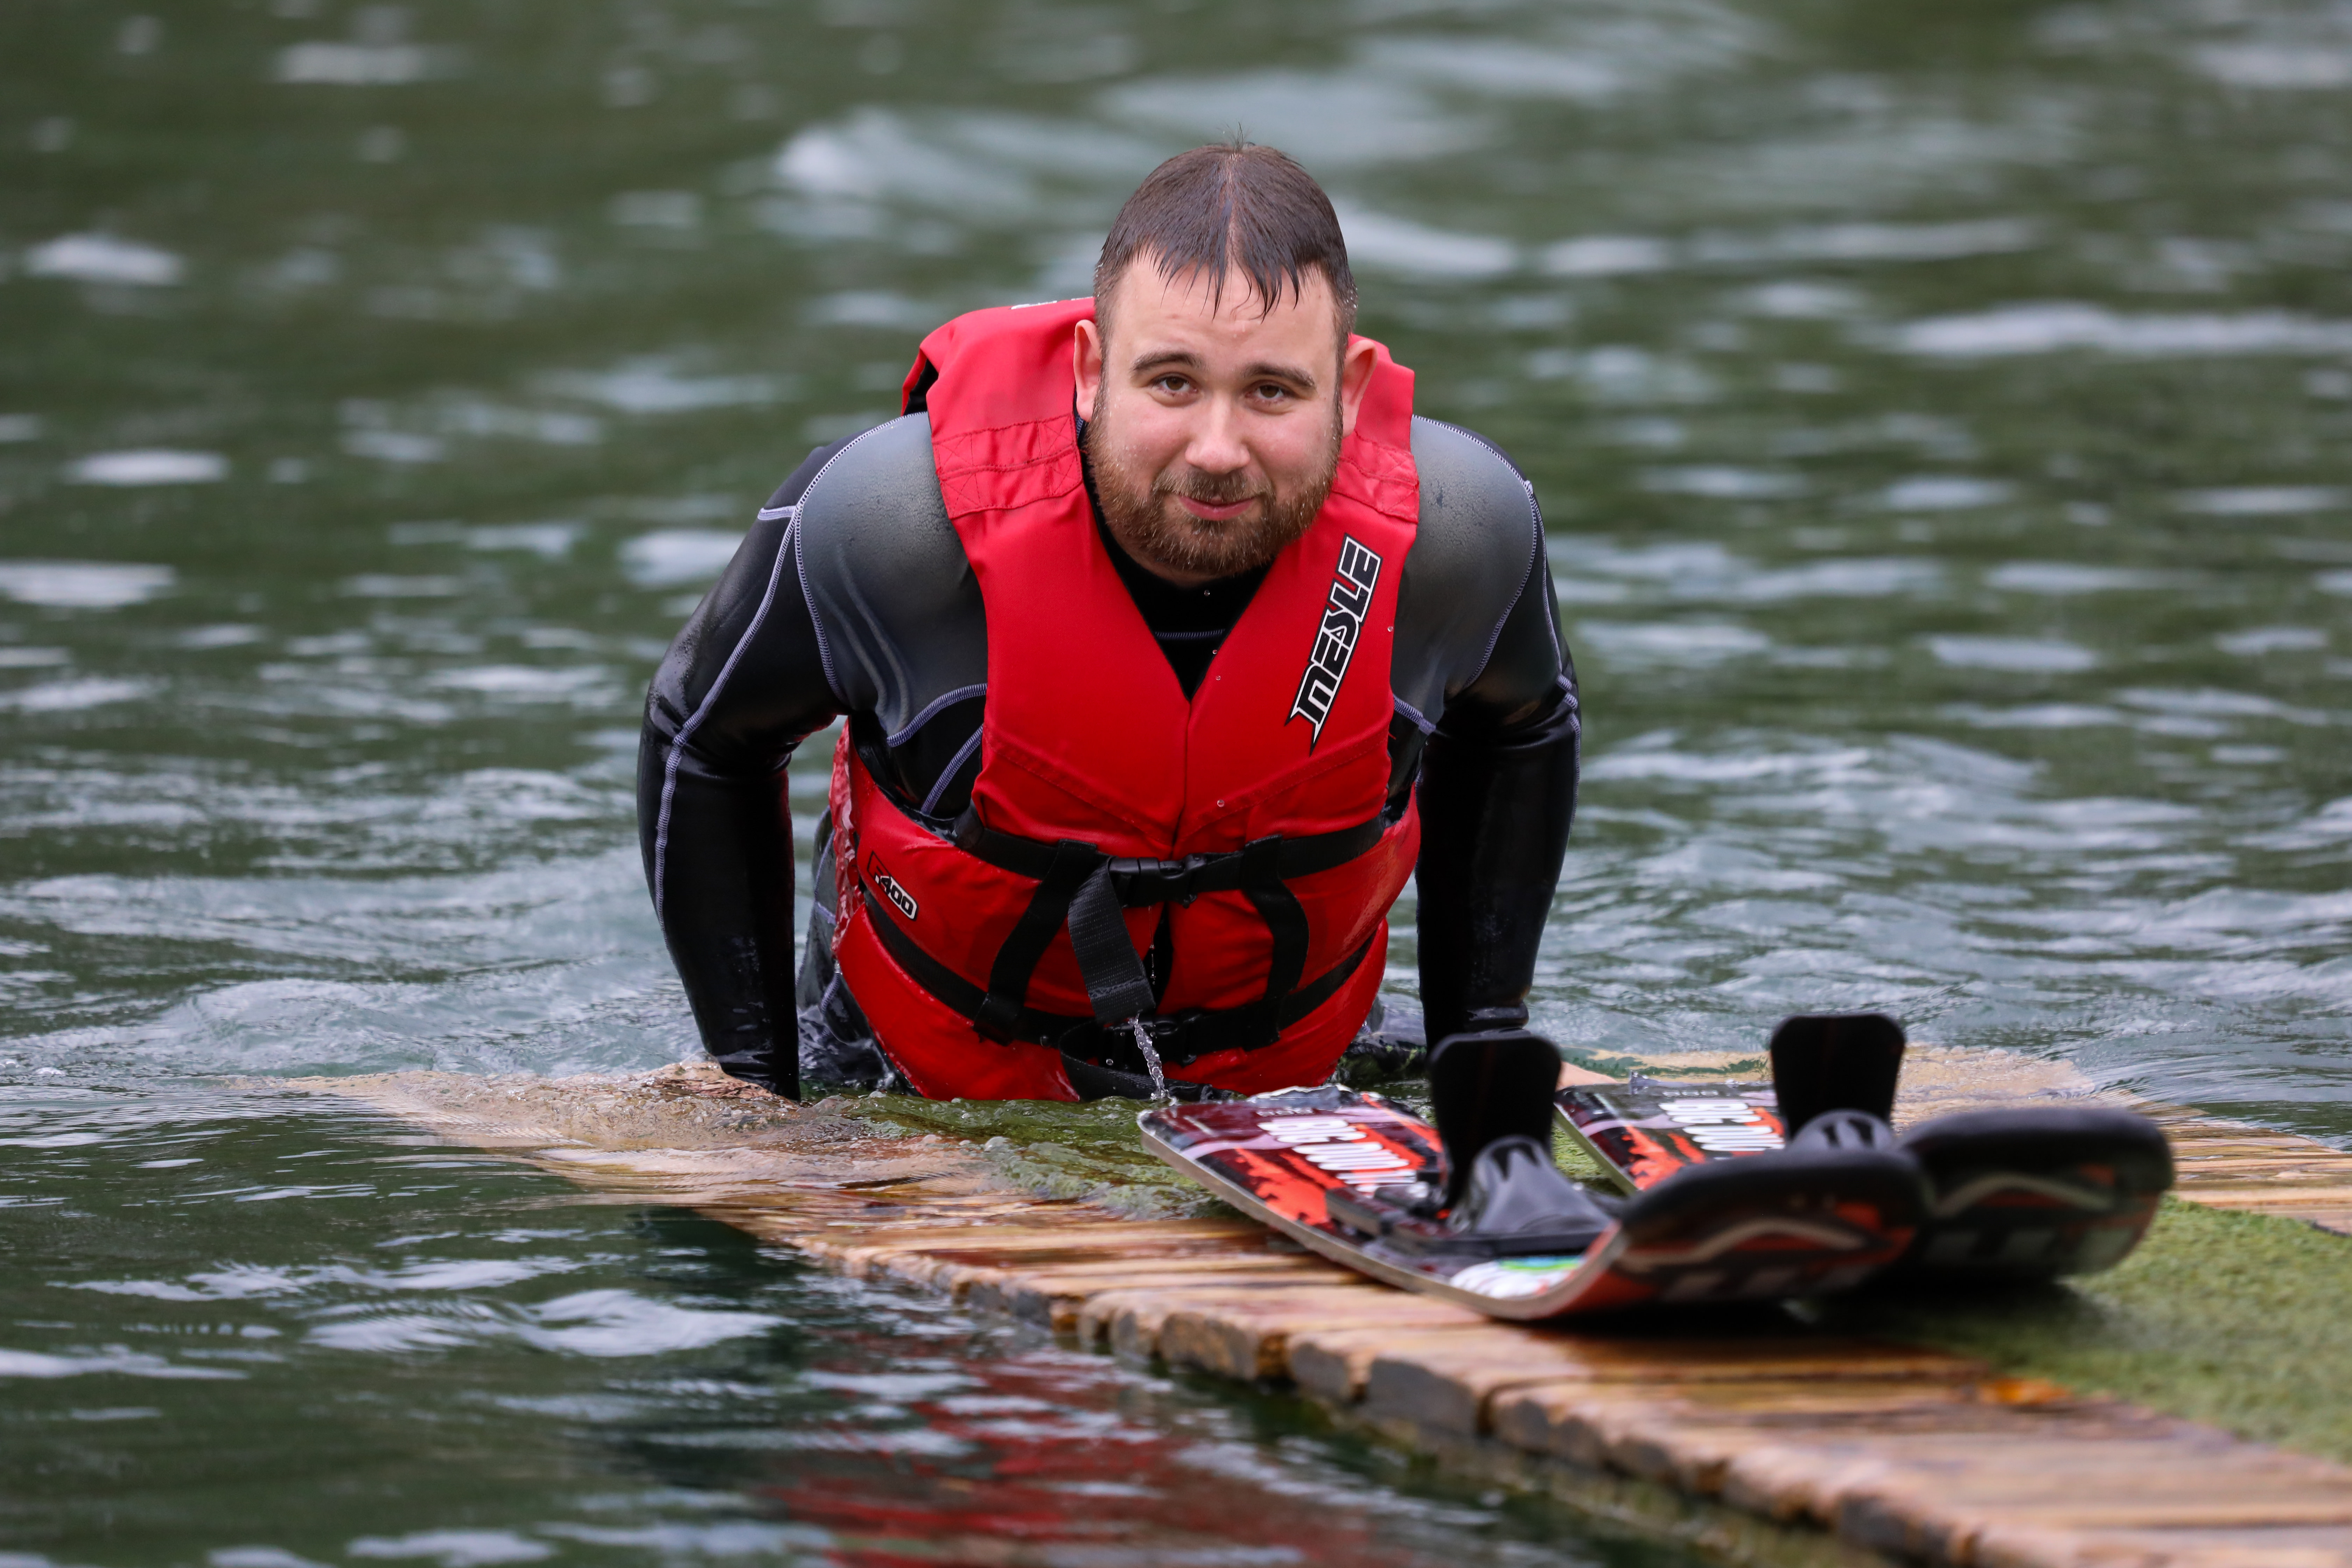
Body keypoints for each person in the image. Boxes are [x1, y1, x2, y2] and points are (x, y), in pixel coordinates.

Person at [637, 144, 1579, 1136]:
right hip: (909, 1074)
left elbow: (1523, 726)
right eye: (1173, 383)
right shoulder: (892, 530)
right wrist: (756, 1093)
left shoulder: (1456, 536)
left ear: (1347, 390)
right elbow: (703, 735)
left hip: (1297, 1070)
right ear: (1090, 372)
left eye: (1272, 391)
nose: (1217, 450)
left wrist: (1480, 1048)